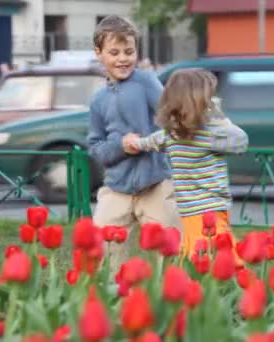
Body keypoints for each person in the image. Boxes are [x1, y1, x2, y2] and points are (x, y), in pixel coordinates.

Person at [87, 15, 181, 273]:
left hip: (156, 184)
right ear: (99, 53)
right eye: (114, 52)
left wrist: (151, 141)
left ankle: (170, 299)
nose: (123, 59)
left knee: (170, 251)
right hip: (117, 187)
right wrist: (120, 146)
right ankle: (113, 295)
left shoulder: (146, 82)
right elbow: (96, 147)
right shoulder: (98, 100)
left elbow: (169, 119)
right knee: (102, 252)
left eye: (129, 51)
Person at [124, 68, 248, 260]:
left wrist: (135, 143)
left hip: (188, 210)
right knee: (225, 260)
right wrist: (220, 118)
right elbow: (241, 142)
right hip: (212, 210)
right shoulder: (212, 132)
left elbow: (150, 142)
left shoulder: (171, 134)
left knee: (194, 257)